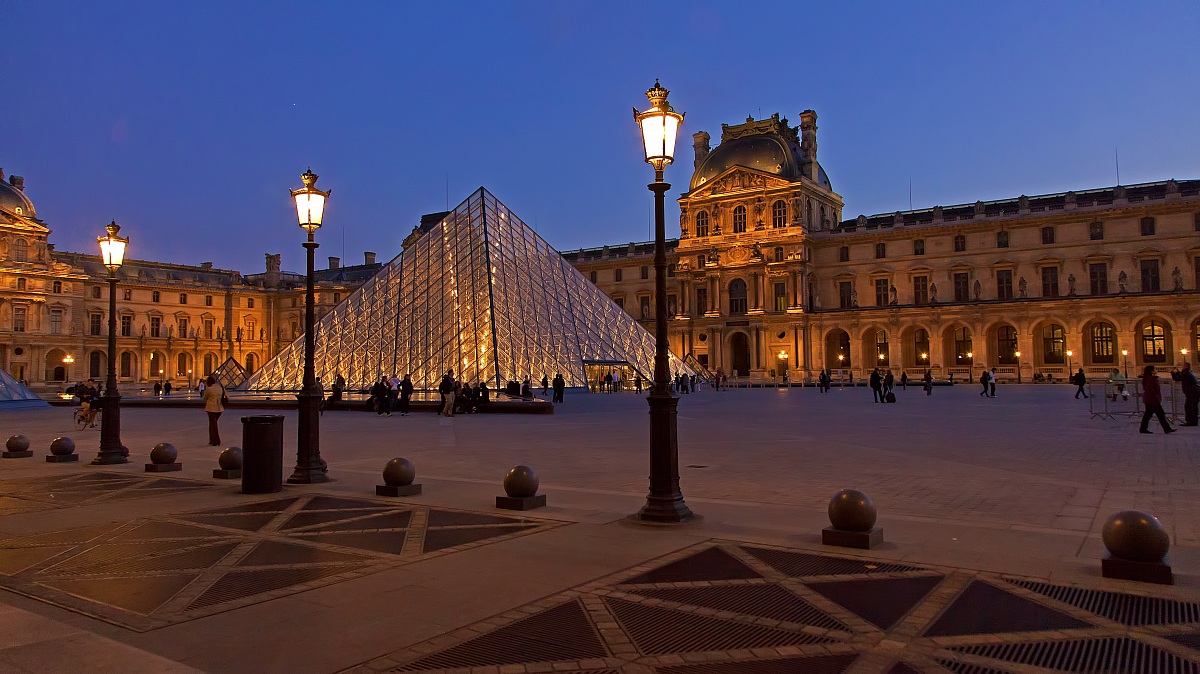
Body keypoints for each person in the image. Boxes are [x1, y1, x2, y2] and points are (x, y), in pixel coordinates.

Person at [1139, 365, 1175, 434]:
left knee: (1149, 414)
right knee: (1159, 414)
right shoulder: (1150, 379)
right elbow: (1151, 390)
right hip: (1152, 400)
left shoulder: (1149, 378)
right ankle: (1167, 429)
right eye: (1154, 369)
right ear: (1151, 371)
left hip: (1150, 399)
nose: (1156, 370)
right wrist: (1156, 397)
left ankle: (1143, 428)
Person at [1172, 362, 1198, 426]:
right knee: (1193, 407)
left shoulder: (1186, 373)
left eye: (1183, 366)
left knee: (1189, 407)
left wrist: (1172, 373)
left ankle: (1190, 422)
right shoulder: (1190, 372)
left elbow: (1177, 378)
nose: (1182, 367)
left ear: (1186, 366)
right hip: (1194, 392)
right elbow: (1182, 375)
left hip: (1191, 393)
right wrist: (1178, 372)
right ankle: (1193, 421)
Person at [202, 375, 224, 446]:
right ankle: (212, 440)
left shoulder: (209, 389)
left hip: (211, 409)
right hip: (219, 408)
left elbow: (205, 398)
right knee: (213, 425)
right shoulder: (220, 388)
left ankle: (216, 441)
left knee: (213, 425)